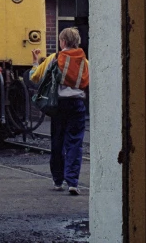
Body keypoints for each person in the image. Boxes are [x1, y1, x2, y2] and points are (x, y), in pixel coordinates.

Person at [30, 27, 89, 196]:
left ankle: (58, 181)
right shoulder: (85, 62)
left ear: (62, 41)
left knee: (57, 142)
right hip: (77, 105)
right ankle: (73, 182)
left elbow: (35, 77)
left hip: (58, 105)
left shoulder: (54, 58)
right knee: (75, 144)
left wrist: (35, 62)